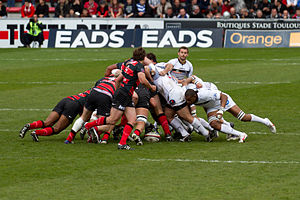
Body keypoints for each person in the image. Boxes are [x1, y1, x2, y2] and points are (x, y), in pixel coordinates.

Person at [84, 47, 156, 150]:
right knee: (112, 120)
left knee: (131, 120)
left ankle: (122, 143)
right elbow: (142, 80)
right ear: (144, 57)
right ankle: (89, 126)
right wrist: (151, 87)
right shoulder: (139, 66)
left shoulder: (130, 64)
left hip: (124, 94)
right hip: (124, 95)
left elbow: (118, 80)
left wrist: (117, 92)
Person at [184, 88, 276, 143]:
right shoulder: (191, 96)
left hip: (222, 101)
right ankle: (241, 134)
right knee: (213, 124)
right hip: (211, 106)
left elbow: (223, 96)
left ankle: (265, 121)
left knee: (243, 117)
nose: (187, 102)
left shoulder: (205, 94)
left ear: (194, 97)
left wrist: (221, 110)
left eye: (189, 100)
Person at [65, 70, 122, 144]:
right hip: (105, 96)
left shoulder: (104, 78)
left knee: (83, 117)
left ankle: (69, 139)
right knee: (107, 124)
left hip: (93, 93)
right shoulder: (122, 81)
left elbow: (96, 85)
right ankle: (89, 127)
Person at [19, 89, 91, 142]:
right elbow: (85, 115)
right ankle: (36, 133)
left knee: (47, 122)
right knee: (57, 129)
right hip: (73, 105)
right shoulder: (98, 97)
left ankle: (29, 125)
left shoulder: (93, 90)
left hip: (66, 99)